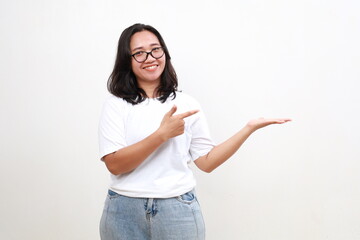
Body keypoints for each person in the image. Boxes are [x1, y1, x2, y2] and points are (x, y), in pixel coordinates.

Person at [98, 23, 291, 240]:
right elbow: (115, 165)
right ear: (127, 60)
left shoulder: (186, 104)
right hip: (124, 210)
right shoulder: (116, 105)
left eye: (155, 49)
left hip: (177, 209)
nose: (150, 57)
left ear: (164, 53)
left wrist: (249, 129)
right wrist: (162, 135)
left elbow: (206, 162)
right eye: (139, 53)